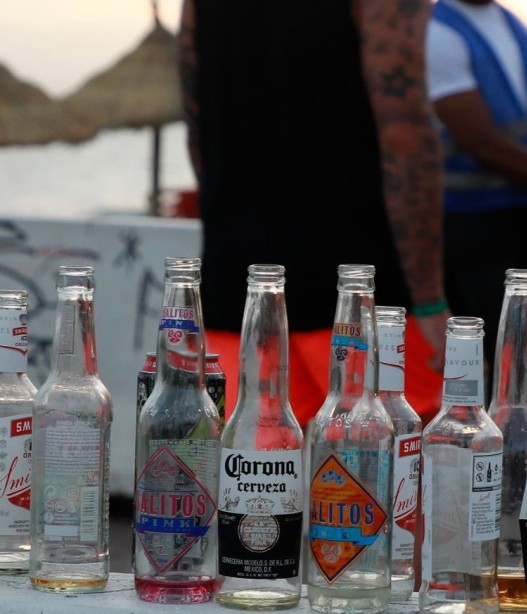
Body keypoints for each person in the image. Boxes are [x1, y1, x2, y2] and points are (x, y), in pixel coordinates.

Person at [180, 0, 449, 423]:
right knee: (396, 471)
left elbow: (196, 124)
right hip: (359, 294)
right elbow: (405, 134)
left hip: (239, 290)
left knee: (258, 478)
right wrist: (430, 301)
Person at [426, 0, 527, 387]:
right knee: (500, 355)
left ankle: (516, 441)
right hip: (475, 223)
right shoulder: (438, 32)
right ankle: (489, 443)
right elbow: (483, 143)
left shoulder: (510, 23)